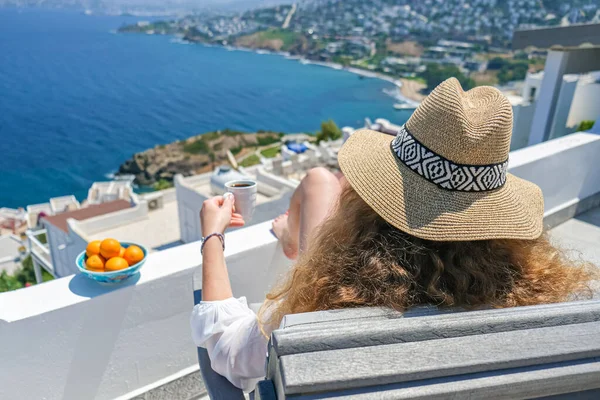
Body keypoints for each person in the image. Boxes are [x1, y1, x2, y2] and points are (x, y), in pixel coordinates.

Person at [190, 78, 596, 392]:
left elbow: (225, 348)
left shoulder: (323, 320)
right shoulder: (547, 308)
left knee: (316, 182)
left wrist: (213, 237)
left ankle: (289, 238)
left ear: (373, 205)